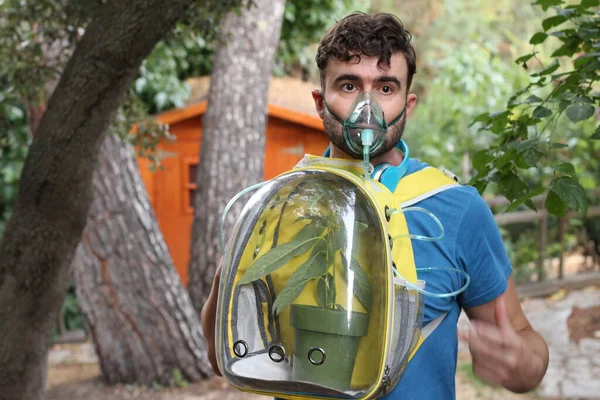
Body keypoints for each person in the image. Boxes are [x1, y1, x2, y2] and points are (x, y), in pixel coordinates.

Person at [201, 12, 549, 399]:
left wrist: (520, 362)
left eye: (385, 88)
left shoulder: (454, 208)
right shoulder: (279, 207)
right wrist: (237, 255)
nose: (366, 107)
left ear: (408, 103)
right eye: (349, 85)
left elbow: (525, 346)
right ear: (320, 101)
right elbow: (223, 356)